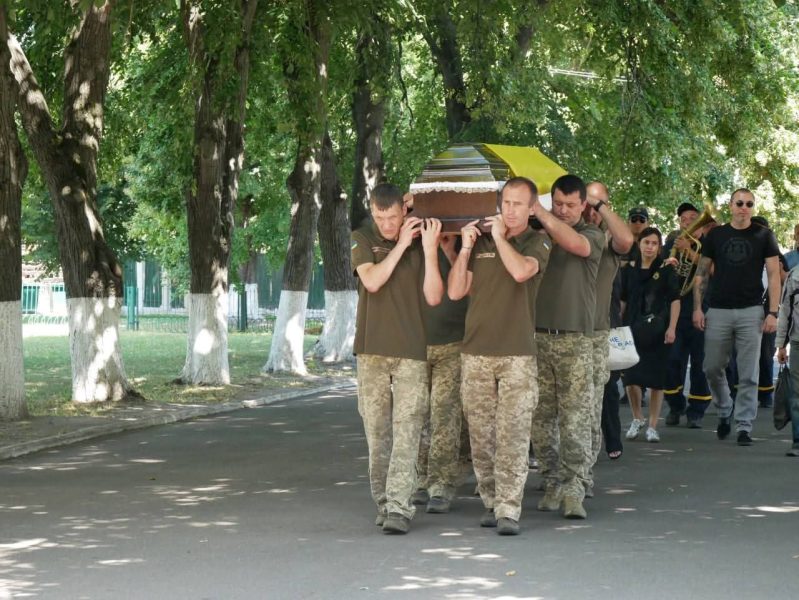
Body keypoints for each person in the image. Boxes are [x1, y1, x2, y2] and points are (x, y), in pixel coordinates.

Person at [448, 176, 551, 536]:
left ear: (530, 208)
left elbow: (522, 271)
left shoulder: (537, 241)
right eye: (505, 202)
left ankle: (509, 508)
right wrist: (464, 249)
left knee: (513, 433)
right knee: (481, 434)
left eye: (517, 204)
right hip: (476, 352)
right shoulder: (481, 243)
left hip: (517, 355)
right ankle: (492, 501)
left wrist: (499, 239)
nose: (509, 209)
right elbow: (457, 290)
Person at [351, 182, 444, 534]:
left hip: (411, 353)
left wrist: (430, 250)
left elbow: (434, 296)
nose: (387, 225)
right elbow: (372, 281)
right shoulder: (362, 237)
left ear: (404, 211)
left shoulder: (421, 242)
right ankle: (383, 501)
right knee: (378, 434)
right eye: (380, 217)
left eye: (392, 217)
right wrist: (401, 244)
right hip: (372, 350)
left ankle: (399, 508)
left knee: (408, 431)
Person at [530, 174, 605, 520]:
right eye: (556, 203)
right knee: (541, 419)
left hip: (575, 338)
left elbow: (577, 246)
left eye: (569, 205)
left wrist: (542, 215)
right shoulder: (539, 233)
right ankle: (552, 481)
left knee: (575, 418)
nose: (562, 210)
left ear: (583, 205)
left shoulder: (592, 233)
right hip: (537, 337)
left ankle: (576, 486)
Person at [692, 188, 781, 446]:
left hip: (751, 310)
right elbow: (701, 273)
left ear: (753, 207)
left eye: (749, 204)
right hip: (717, 309)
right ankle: (724, 408)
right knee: (711, 367)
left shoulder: (764, 235)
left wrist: (773, 312)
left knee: (749, 373)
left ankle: (744, 425)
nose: (744, 207)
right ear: (731, 205)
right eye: (739, 203)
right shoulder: (716, 235)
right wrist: (697, 307)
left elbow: (774, 276)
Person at [582, 181, 633, 494]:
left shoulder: (608, 238)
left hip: (600, 329)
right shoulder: (566, 232)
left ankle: (583, 472)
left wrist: (598, 205)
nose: (590, 209)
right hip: (561, 332)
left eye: (597, 203)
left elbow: (627, 239)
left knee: (598, 398)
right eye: (586, 202)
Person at [414, 233, 469, 514]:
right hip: (414, 345)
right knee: (418, 415)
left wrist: (449, 248)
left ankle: (442, 484)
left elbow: (474, 288)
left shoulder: (465, 242)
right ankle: (421, 479)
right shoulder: (409, 242)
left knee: (444, 414)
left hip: (453, 343)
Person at [622, 227, 681, 442]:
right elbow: (623, 300)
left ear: (659, 247)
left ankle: (653, 425)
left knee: (657, 380)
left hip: (658, 330)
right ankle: (637, 418)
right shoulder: (628, 269)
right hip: (631, 329)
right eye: (646, 242)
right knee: (631, 378)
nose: (650, 247)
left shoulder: (666, 269)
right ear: (639, 244)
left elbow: (675, 300)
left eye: (654, 243)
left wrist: (672, 327)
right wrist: (616, 327)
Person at [662, 202, 713, 427]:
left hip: (702, 309)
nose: (689, 221)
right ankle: (674, 404)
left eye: (694, 217)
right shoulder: (671, 243)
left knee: (701, 362)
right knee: (672, 360)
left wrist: (688, 251)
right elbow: (662, 273)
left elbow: (711, 270)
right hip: (675, 310)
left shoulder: (710, 244)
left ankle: (696, 410)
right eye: (684, 218)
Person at [776, 264, 799, 456]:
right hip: (798, 342)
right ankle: (798, 441)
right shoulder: (795, 275)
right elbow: (785, 312)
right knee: (797, 394)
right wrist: (781, 345)